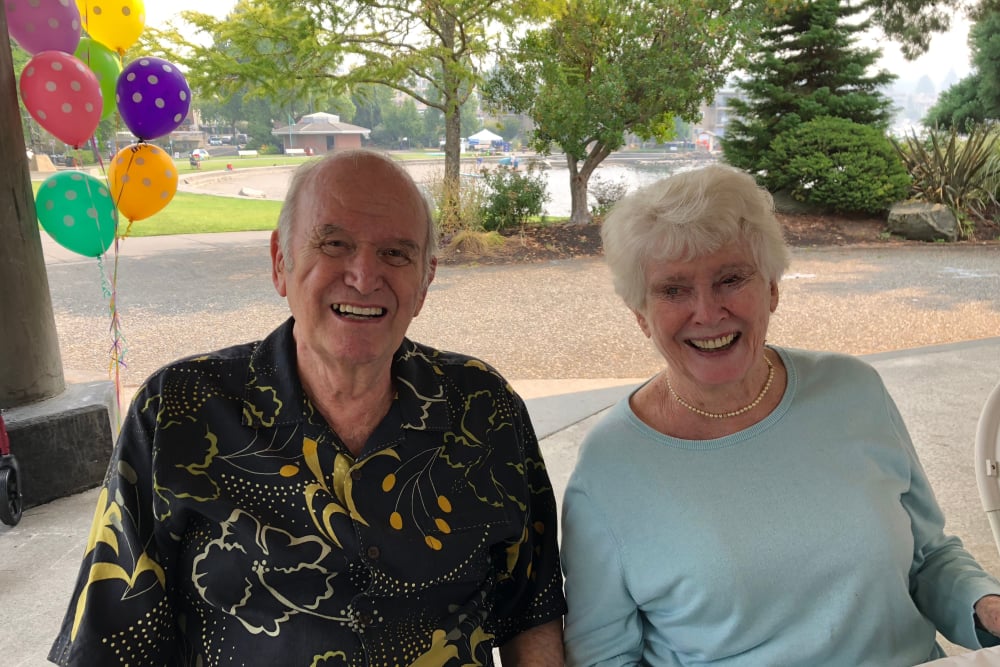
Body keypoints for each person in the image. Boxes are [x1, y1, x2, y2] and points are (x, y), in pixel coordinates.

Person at [49, 149, 566, 666]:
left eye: (396, 253)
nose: (364, 276)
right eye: (334, 243)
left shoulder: (483, 407)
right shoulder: (179, 410)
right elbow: (111, 641)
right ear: (280, 262)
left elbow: (532, 615)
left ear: (425, 281)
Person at [560, 163, 1000, 666]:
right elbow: (601, 658)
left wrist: (985, 604)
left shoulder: (853, 391)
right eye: (673, 290)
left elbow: (928, 557)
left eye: (730, 279)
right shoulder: (611, 467)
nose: (706, 312)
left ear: (771, 288)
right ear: (641, 315)